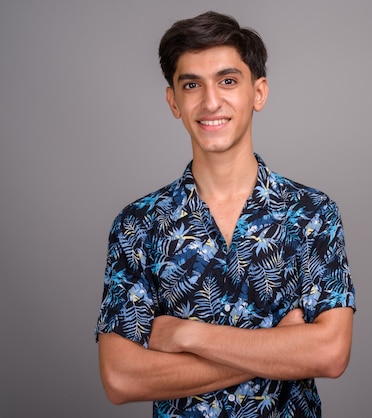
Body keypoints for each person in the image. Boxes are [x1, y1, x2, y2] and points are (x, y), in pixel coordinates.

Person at [95, 10, 356, 417]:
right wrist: (279, 348)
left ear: (259, 92)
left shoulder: (312, 214)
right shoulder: (139, 225)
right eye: (191, 84)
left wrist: (188, 335)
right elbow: (121, 378)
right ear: (174, 101)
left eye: (228, 80)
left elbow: (329, 353)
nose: (211, 101)